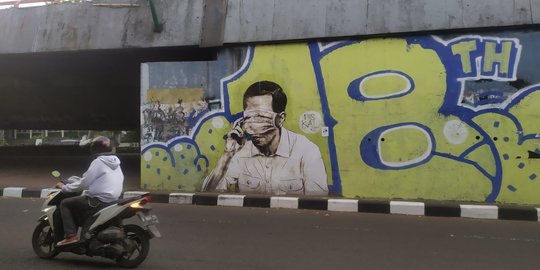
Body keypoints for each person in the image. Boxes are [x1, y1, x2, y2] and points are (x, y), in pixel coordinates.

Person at [202, 81, 328, 196]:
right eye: (250, 118)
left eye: (262, 117)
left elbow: (317, 203)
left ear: (280, 119)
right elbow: (208, 196)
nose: (255, 127)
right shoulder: (241, 152)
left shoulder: (306, 151)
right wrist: (227, 156)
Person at [55, 136, 124, 246]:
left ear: (95, 149)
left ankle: (71, 235)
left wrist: (64, 187)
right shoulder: (116, 163)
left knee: (65, 203)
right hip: (113, 200)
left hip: (97, 200)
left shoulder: (98, 162)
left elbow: (85, 183)